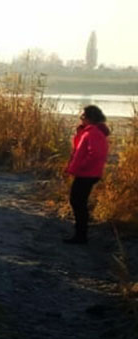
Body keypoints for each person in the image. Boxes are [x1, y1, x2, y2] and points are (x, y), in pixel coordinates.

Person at [63, 104, 110, 244]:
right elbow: (79, 149)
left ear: (90, 118)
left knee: (78, 202)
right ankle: (80, 234)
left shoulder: (93, 132)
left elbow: (95, 154)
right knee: (78, 202)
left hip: (87, 173)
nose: (81, 119)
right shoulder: (89, 131)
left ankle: (81, 236)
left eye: (82, 116)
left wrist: (80, 167)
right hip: (87, 173)